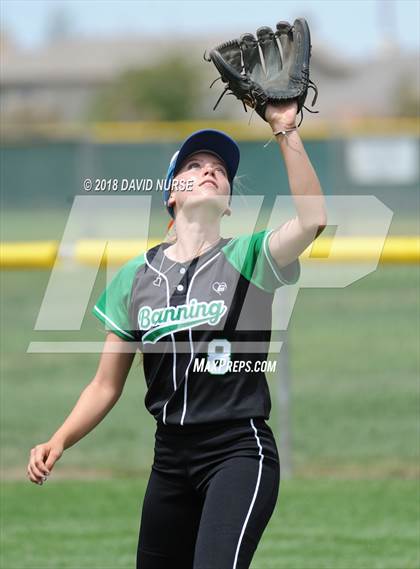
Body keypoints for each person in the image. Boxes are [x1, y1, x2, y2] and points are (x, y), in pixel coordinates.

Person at [27, 100, 327, 569]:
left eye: (219, 170)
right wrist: (60, 438)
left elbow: (312, 222)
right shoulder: (135, 275)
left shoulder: (249, 255)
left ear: (227, 202)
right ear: (171, 194)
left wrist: (286, 130)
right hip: (169, 460)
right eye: (194, 165)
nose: (209, 171)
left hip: (238, 451)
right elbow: (106, 384)